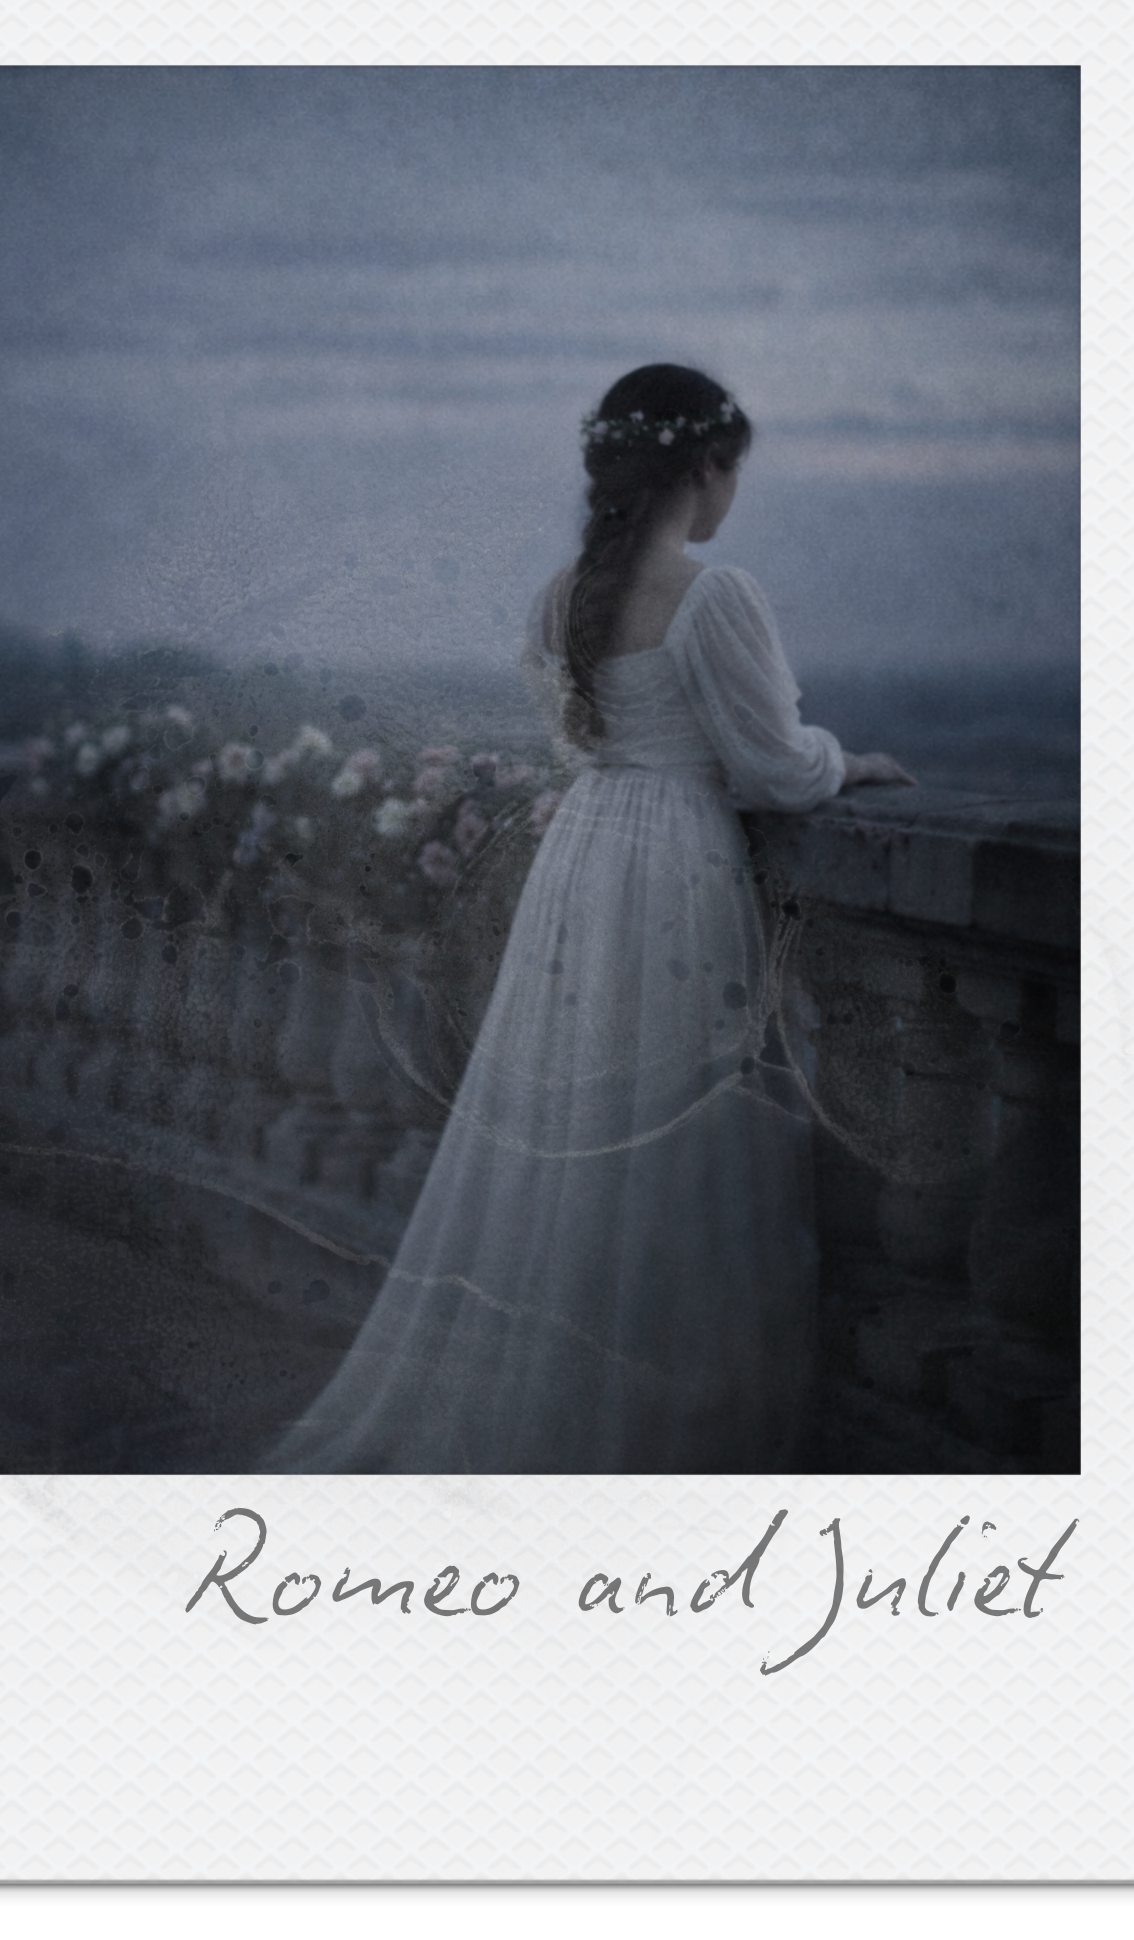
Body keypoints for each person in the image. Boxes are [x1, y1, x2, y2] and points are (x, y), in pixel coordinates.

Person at [264, 364, 912, 1473]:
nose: (730, 497)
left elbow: (578, 747)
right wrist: (847, 763)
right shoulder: (715, 596)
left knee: (582, 1128)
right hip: (677, 867)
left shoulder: (559, 598)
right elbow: (772, 767)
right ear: (703, 468)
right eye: (730, 472)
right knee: (671, 1129)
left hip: (586, 855)